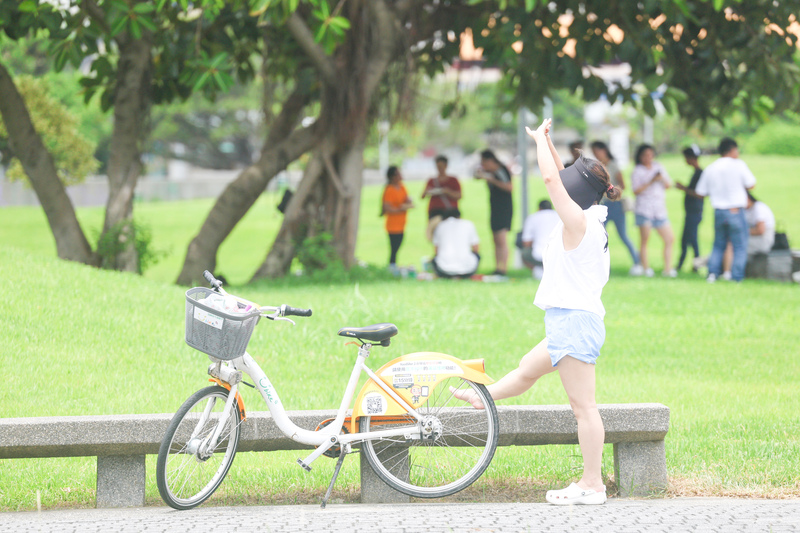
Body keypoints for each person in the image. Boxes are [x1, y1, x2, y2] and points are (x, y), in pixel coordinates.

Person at [454, 118, 619, 506]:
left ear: (578, 190)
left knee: (584, 408)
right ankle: (484, 398)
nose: (562, 179)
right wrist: (546, 139)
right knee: (528, 369)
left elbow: (550, 181)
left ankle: (592, 484)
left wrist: (536, 141)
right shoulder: (588, 219)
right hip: (570, 320)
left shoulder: (578, 222)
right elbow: (560, 176)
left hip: (575, 321)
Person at [695, 137, 756, 282]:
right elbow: (751, 184)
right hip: (735, 210)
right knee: (740, 245)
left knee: (718, 244)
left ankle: (712, 274)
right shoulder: (738, 165)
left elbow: (700, 192)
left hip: (719, 211)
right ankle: (737, 277)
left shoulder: (711, 167)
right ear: (732, 150)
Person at [590, 141, 642, 275]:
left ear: (604, 150)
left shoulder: (613, 165)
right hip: (602, 205)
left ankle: (638, 262)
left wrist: (611, 189)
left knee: (623, 235)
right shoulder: (596, 167)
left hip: (615, 205)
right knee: (599, 236)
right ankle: (599, 265)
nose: (596, 154)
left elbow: (623, 185)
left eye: (597, 151)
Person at [631, 144, 676, 277]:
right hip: (644, 208)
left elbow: (668, 185)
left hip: (659, 209)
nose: (648, 158)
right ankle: (646, 268)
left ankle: (668, 269)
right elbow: (636, 190)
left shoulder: (659, 167)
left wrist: (660, 178)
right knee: (645, 239)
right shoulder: (637, 171)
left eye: (650, 155)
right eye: (645, 155)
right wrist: (651, 181)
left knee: (669, 238)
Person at [475, 149, 513, 275]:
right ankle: (498, 267)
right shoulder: (489, 172)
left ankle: (504, 268)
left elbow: (509, 187)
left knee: (502, 239)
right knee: (495, 239)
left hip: (504, 208)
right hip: (495, 208)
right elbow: (476, 176)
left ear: (490, 161)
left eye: (484, 163)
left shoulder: (500, 170)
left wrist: (491, 180)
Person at [675, 147, 705, 272]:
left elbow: (700, 194)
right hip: (692, 211)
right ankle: (686, 265)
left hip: (695, 211)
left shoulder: (700, 173)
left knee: (691, 239)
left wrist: (684, 189)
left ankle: (692, 265)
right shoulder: (696, 173)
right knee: (688, 239)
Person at [430, 209, 480, 278]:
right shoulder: (469, 224)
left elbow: (436, 251)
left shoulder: (440, 226)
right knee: (477, 256)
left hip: (444, 269)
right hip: (468, 269)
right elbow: (476, 248)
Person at [381, 166, 414, 271]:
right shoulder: (389, 189)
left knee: (398, 245)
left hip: (401, 223)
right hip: (392, 224)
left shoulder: (402, 187)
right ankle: (391, 266)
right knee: (394, 247)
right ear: (392, 177)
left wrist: (408, 203)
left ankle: (393, 266)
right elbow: (387, 207)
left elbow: (407, 199)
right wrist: (400, 209)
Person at [520, 199, 560, 279]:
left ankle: (538, 269)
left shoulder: (532, 217)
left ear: (539, 208)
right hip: (558, 253)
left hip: (537, 255)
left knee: (525, 252)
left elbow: (526, 242)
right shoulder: (560, 216)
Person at [421, 155, 462, 219]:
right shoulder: (432, 181)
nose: (439, 169)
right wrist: (427, 191)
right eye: (438, 167)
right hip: (435, 210)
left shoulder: (453, 180)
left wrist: (447, 192)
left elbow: (459, 196)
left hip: (450, 210)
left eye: (441, 167)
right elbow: (422, 196)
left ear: (446, 166)